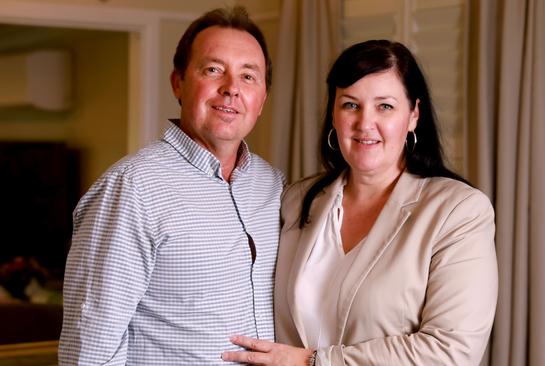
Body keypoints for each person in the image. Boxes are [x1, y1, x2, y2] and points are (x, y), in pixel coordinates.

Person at [222, 39, 498, 365]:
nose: (365, 123)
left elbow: (452, 352)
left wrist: (313, 361)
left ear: (413, 115)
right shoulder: (296, 200)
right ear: (334, 116)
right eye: (351, 105)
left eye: (385, 106)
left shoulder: (458, 211)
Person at [58, 6, 285, 365]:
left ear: (262, 99)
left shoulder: (272, 186)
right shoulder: (131, 189)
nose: (231, 90)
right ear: (178, 83)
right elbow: (91, 351)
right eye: (213, 70)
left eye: (248, 77)